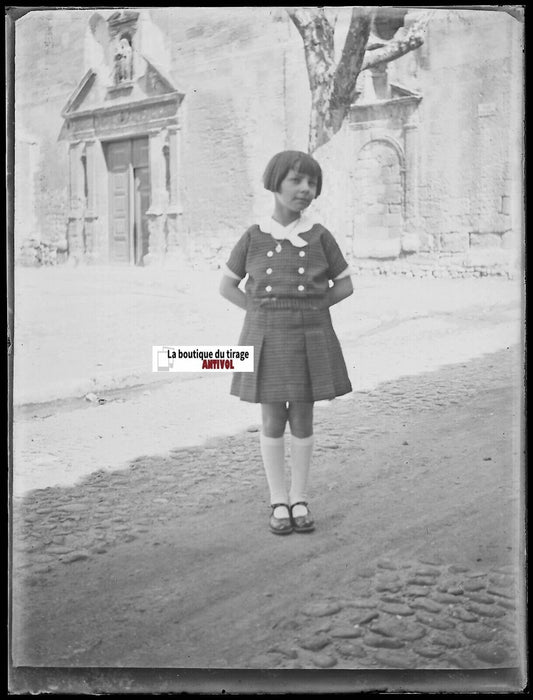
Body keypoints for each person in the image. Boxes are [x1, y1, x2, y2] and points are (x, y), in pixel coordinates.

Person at [220, 150, 353, 536]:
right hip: (267, 339)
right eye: (296, 180)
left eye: (312, 183)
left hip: (311, 337)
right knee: (272, 418)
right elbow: (227, 286)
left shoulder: (319, 236)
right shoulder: (255, 236)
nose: (306, 189)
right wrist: (259, 315)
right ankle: (278, 499)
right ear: (275, 183)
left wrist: (311, 307)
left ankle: (300, 497)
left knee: (303, 417)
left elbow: (345, 284)